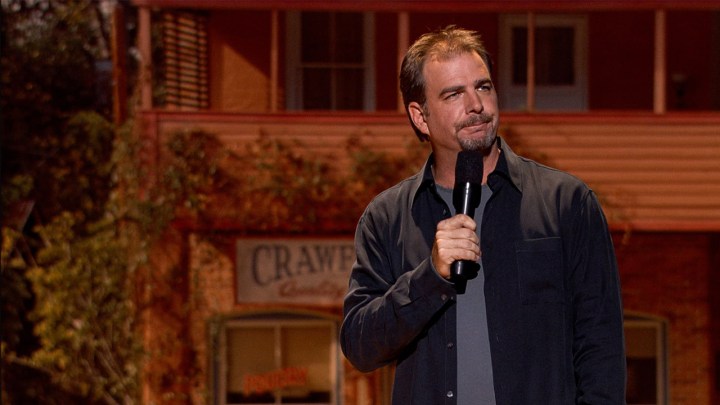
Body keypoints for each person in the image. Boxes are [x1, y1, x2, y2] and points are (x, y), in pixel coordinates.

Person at [340, 26, 626, 404]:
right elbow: (361, 346)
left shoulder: (567, 203)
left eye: (484, 87)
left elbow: (601, 350)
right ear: (420, 116)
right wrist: (429, 278)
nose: (476, 105)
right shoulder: (387, 218)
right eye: (454, 94)